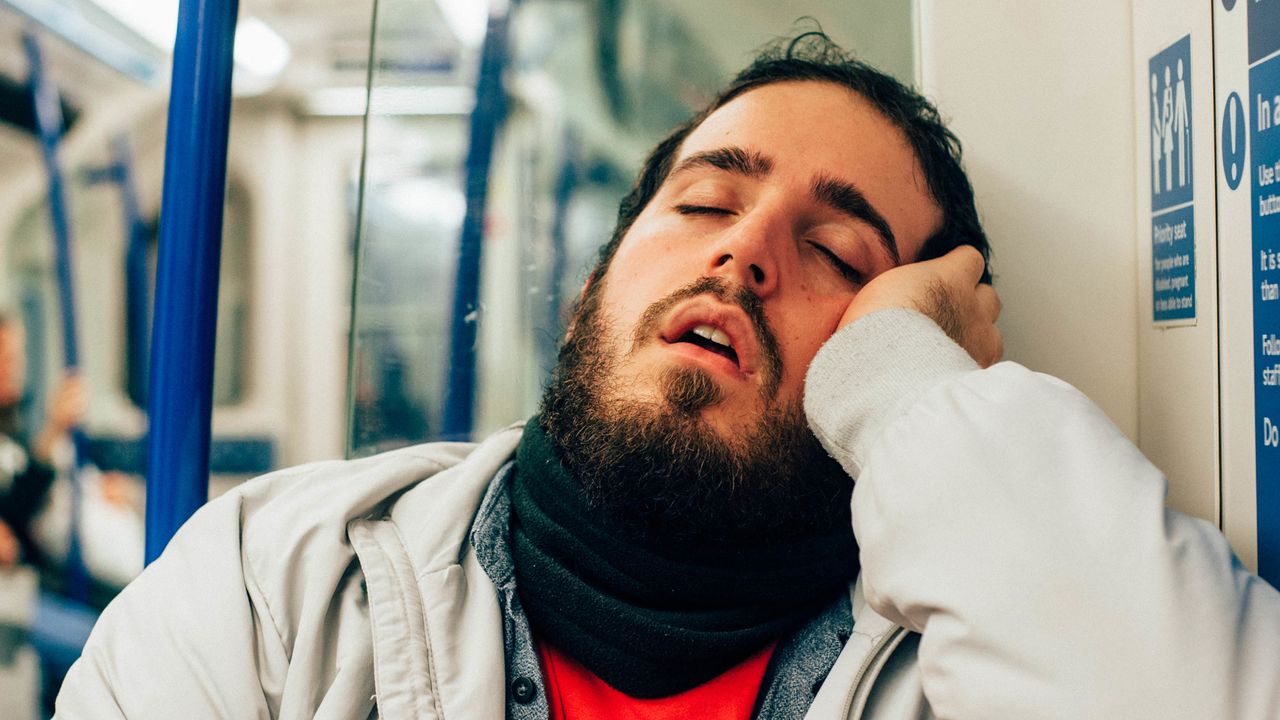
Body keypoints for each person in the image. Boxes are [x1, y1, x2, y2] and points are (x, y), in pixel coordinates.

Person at [56, 32, 1280, 719]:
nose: (746, 250)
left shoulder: (954, 665)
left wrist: (910, 392)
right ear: (601, 273)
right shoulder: (279, 587)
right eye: (704, 201)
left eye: (836, 253)